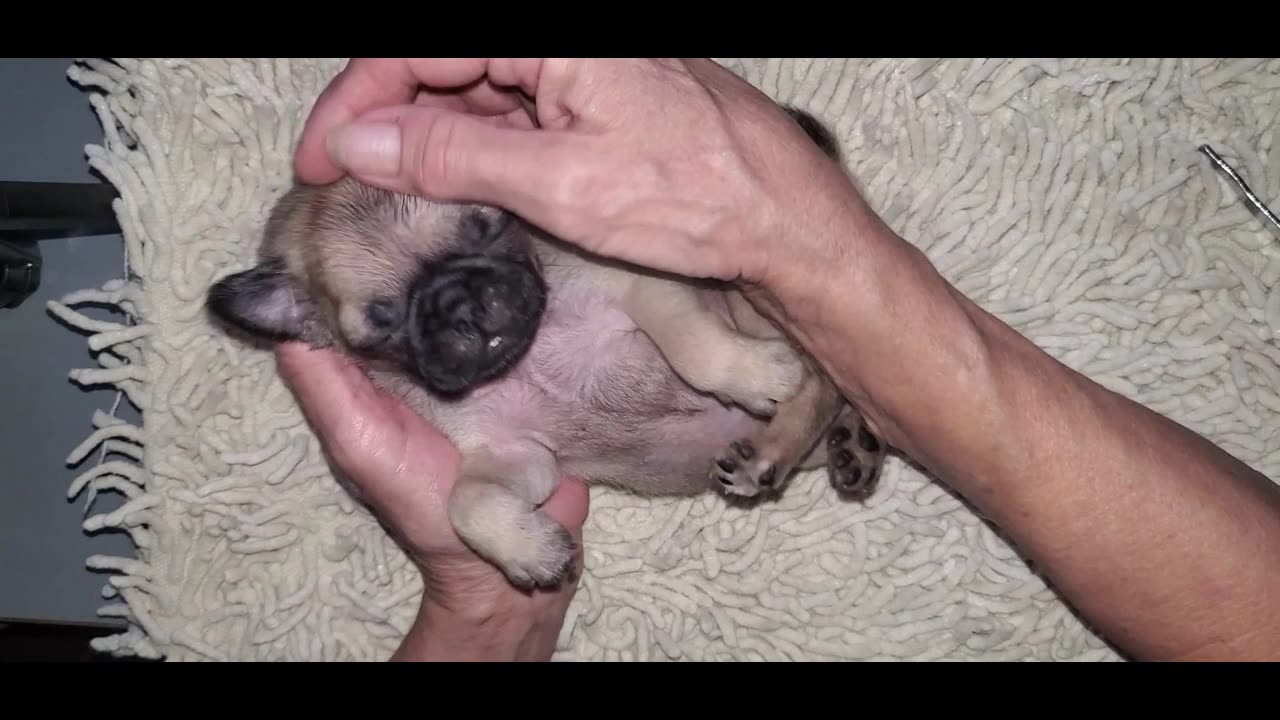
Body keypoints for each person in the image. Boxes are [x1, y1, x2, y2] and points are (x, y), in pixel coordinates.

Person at [277, 58, 1280, 662]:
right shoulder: (439, 403)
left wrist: (718, 348)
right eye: (390, 315)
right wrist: (485, 535)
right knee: (777, 363)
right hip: (742, 425)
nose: (466, 307)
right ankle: (829, 392)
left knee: (750, 331)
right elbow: (505, 469)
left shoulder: (574, 261)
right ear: (322, 335)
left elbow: (646, 293)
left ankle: (829, 383)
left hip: (747, 355)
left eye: (483, 232)